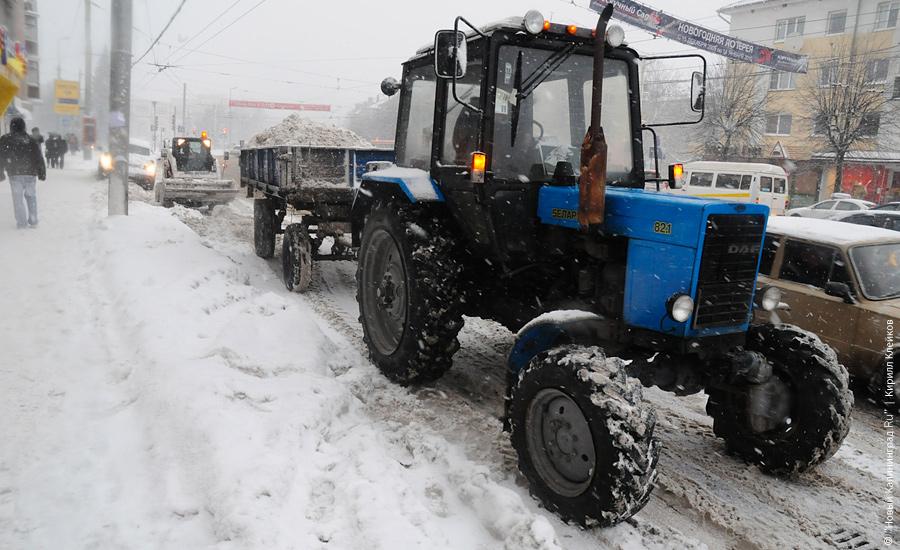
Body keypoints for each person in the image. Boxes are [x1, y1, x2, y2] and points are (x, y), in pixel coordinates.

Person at [1, 117, 47, 229]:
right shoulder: (31, 140)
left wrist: (0, 171)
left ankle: (22, 223)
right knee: (31, 196)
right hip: (30, 173)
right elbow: (38, 157)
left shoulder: (5, 139)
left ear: (12, 126)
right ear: (24, 126)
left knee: (18, 199)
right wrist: (42, 172)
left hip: (14, 173)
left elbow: (1, 157)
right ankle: (33, 220)